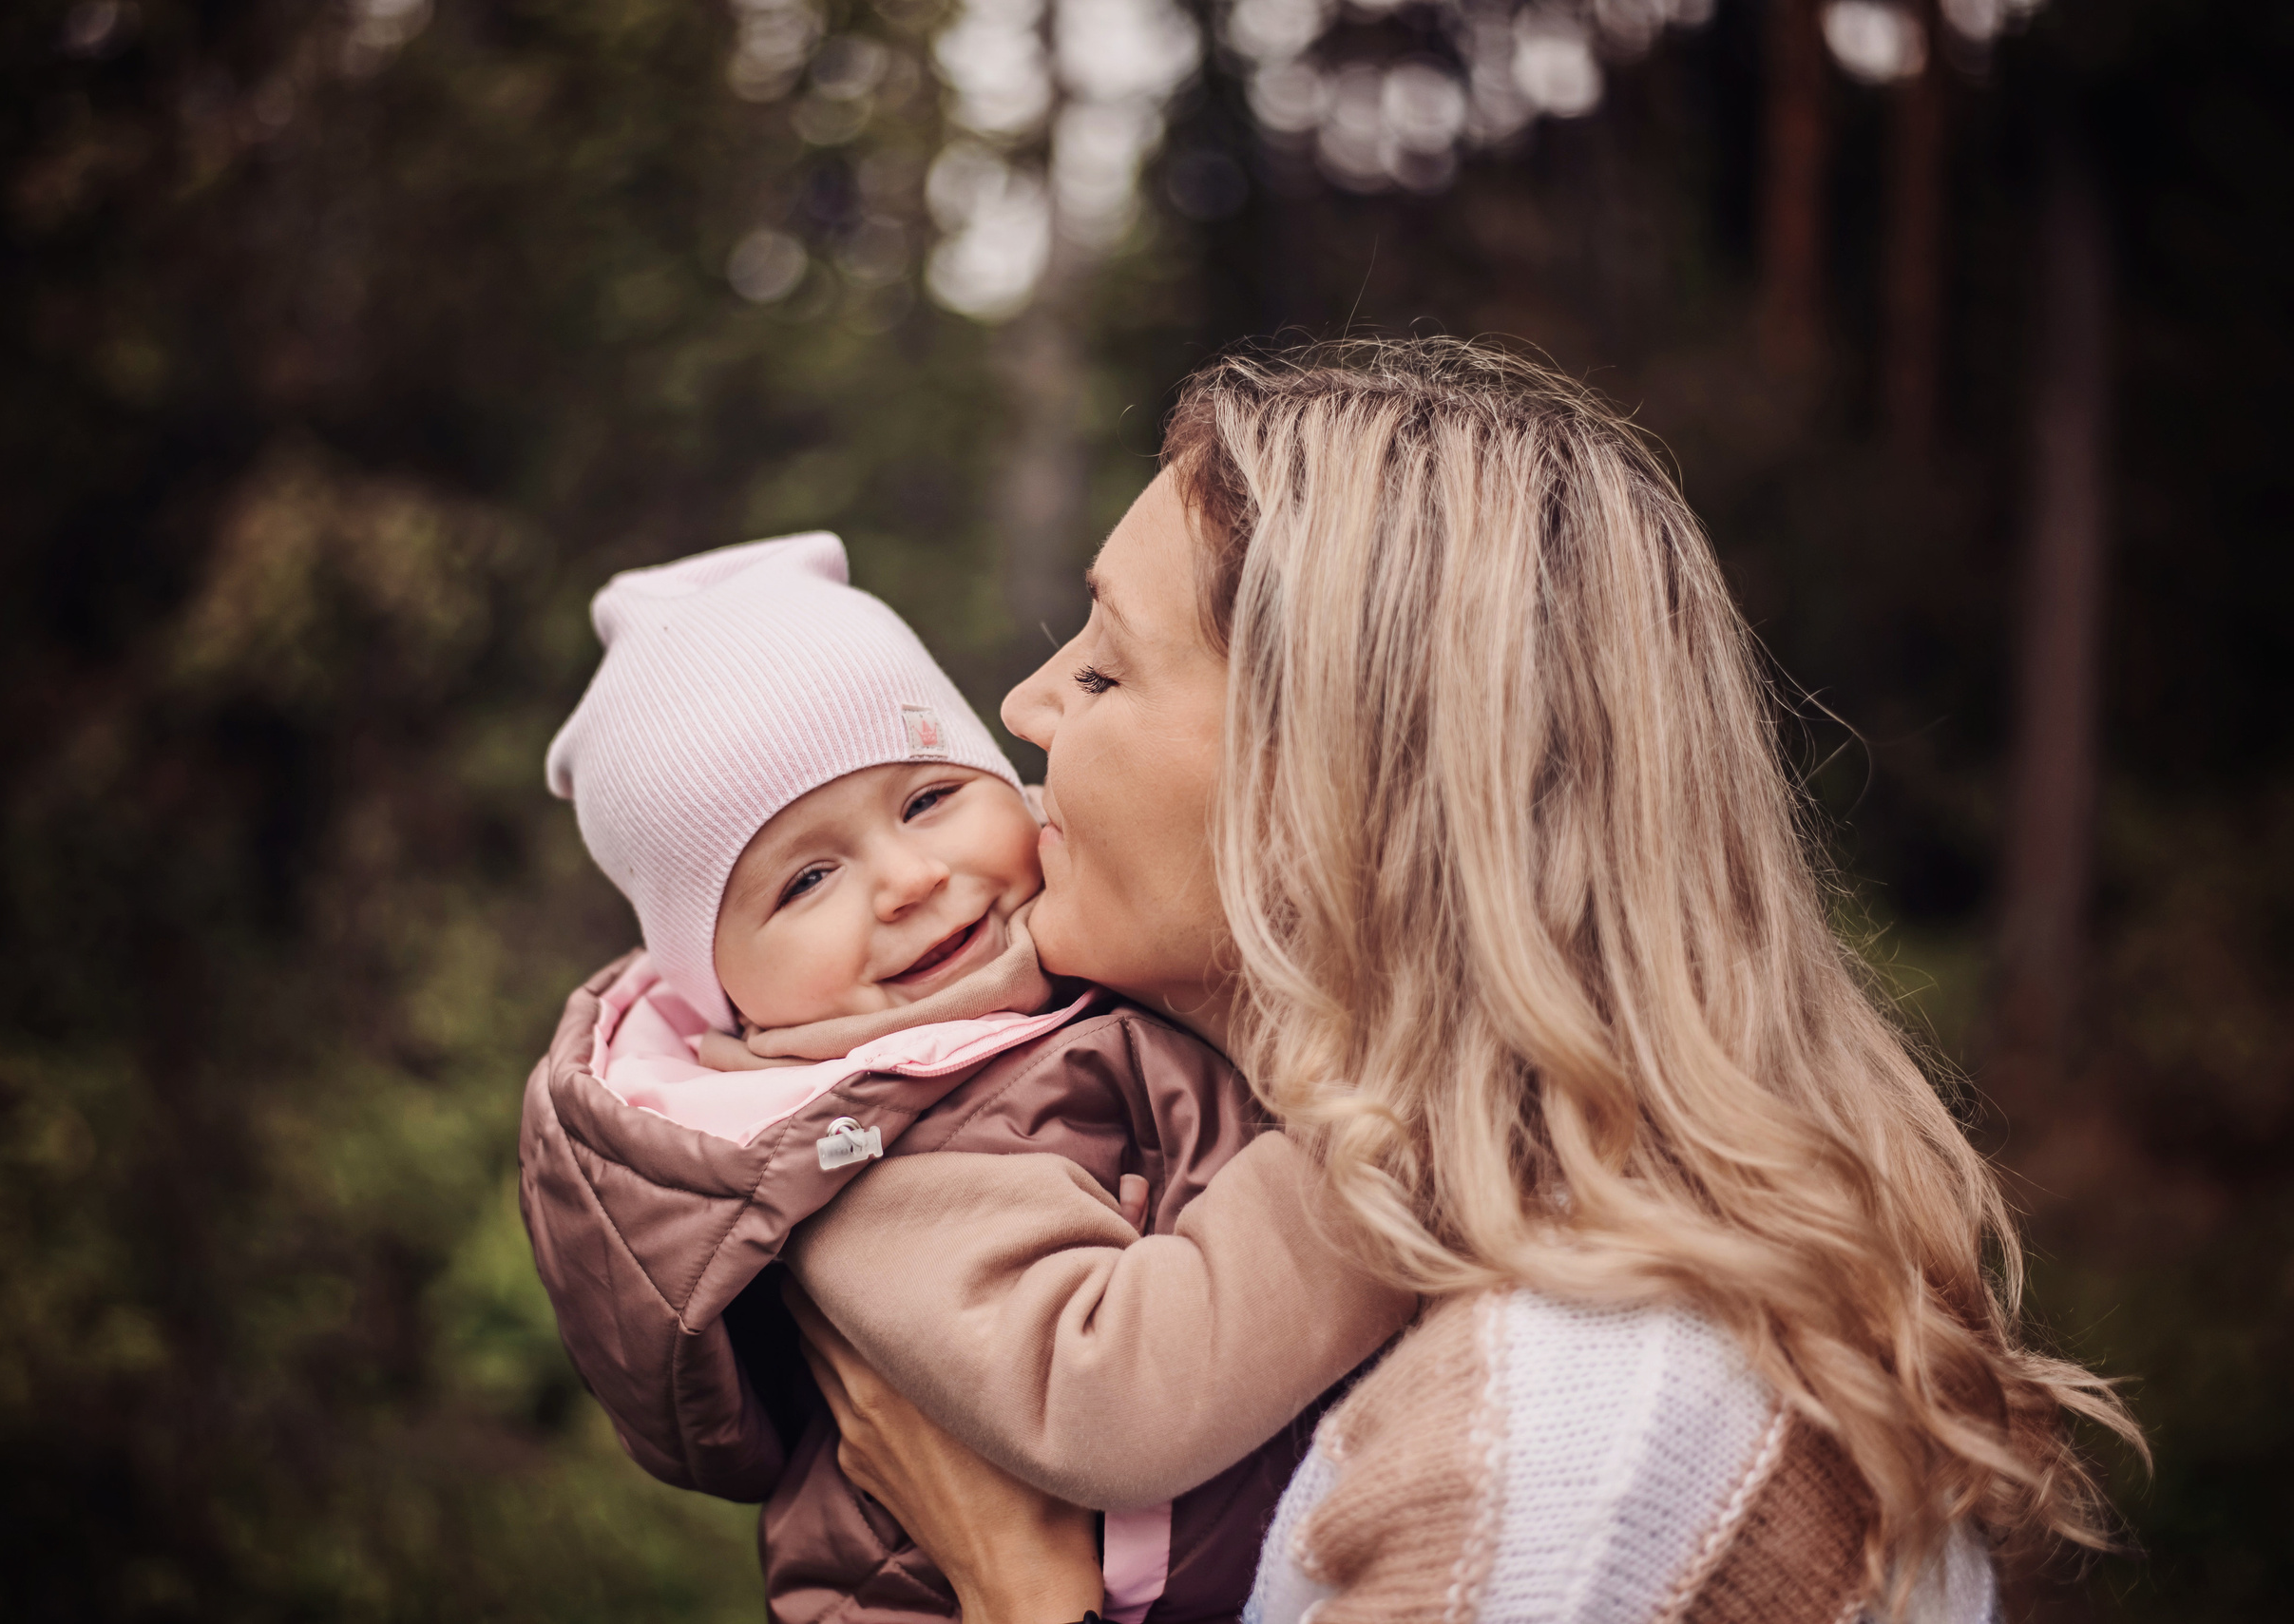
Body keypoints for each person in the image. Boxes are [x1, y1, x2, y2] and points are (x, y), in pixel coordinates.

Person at [768, 340, 2144, 1623]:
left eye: (1109, 667)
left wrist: (1017, 1587)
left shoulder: (1558, 1455)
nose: (1025, 706)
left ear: (1325, 791)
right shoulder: (1482, 1305)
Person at [520, 531, 1412, 1623]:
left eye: (928, 799)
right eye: (805, 879)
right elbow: (1113, 1391)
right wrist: (1389, 1148)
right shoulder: (861, 1161)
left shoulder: (1060, 988)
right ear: (723, 990)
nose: (905, 879)